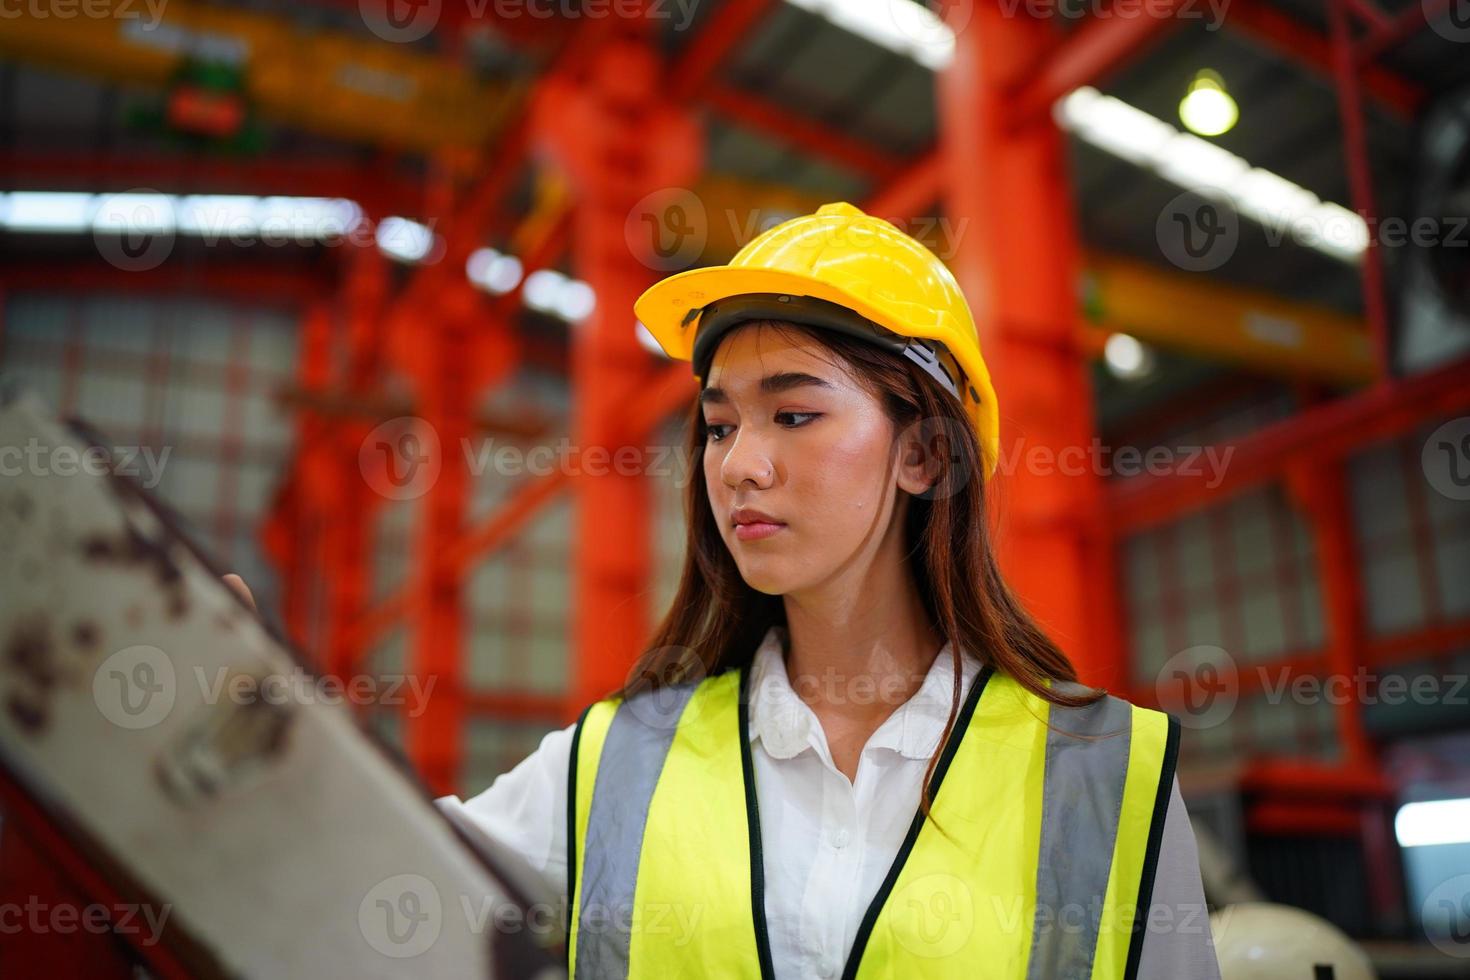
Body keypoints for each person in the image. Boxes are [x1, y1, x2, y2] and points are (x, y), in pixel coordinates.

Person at [433, 202, 1222, 979]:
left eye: (795, 414)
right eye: (718, 426)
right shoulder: (611, 765)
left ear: (923, 455)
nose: (739, 465)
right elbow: (372, 886)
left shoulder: (1106, 778)